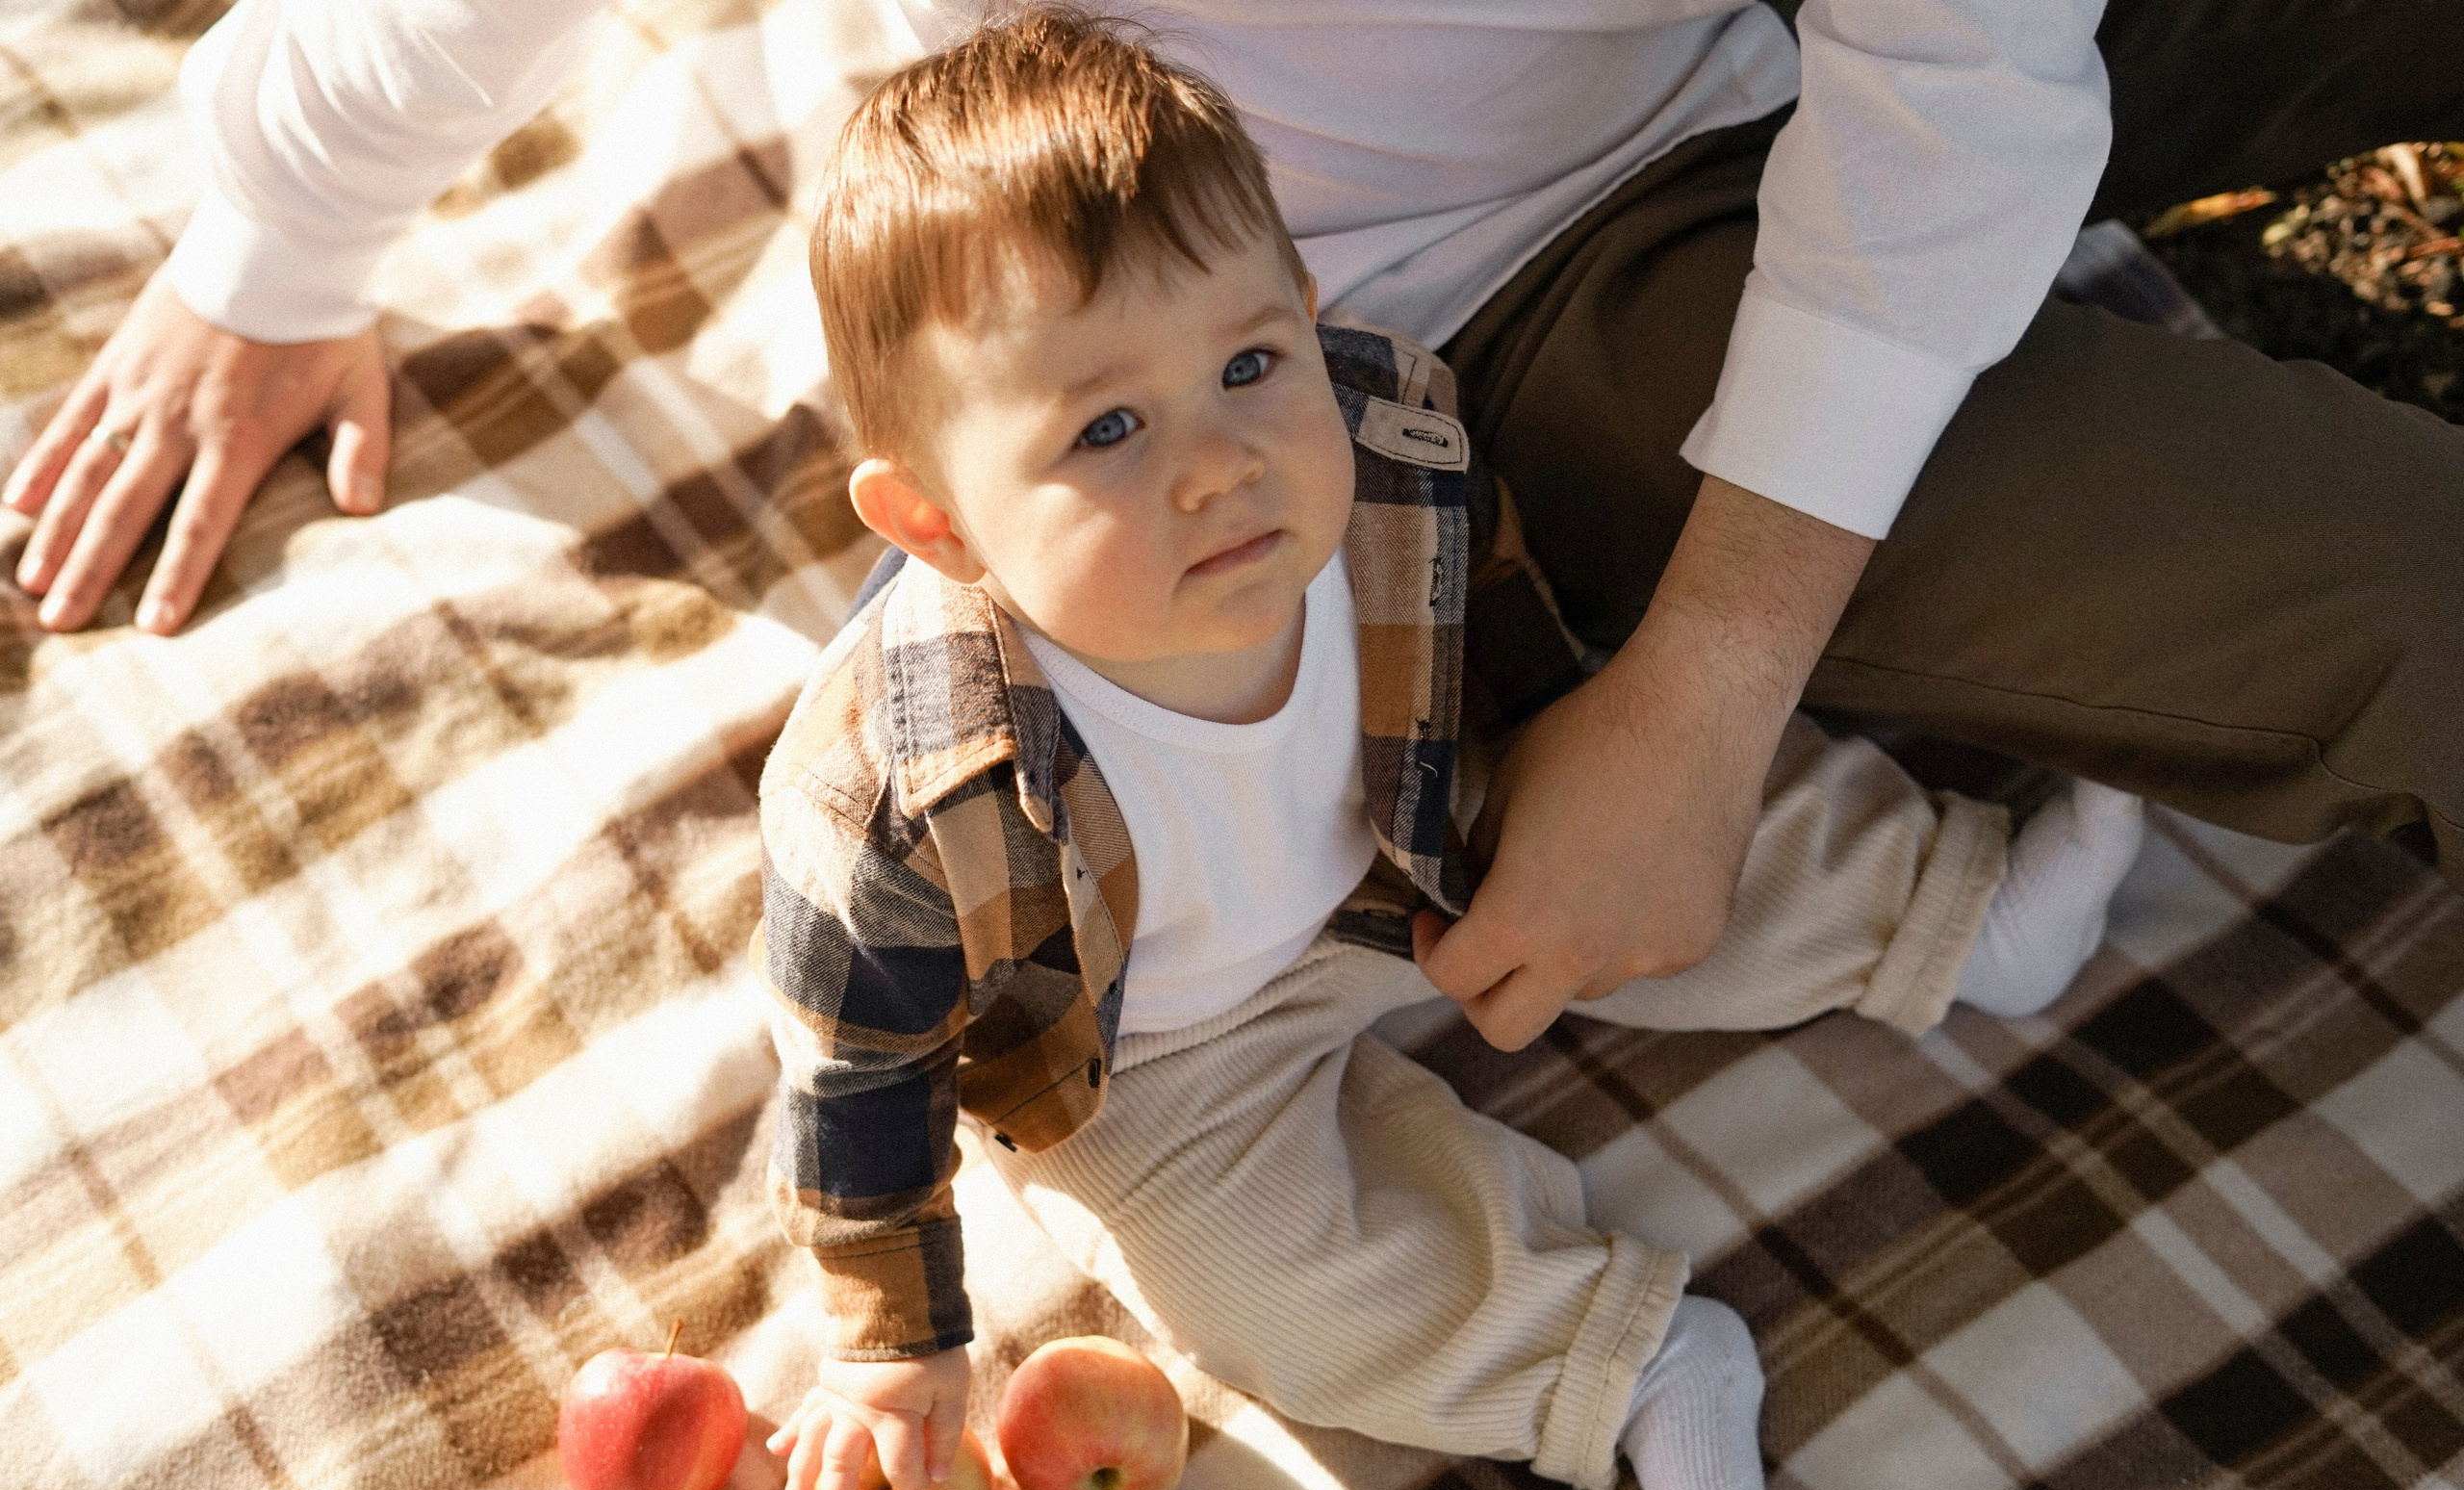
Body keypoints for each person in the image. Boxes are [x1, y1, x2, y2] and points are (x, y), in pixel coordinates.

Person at [9, 0, 2458, 1073]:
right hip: (1435, 308)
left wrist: (1708, 697)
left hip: (1801, 101)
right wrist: (272, 252)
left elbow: (1958, 81)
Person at [748, 13, 2149, 1490]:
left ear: (1310, 320)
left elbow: (1500, 629)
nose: (1221, 464)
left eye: (1249, 364)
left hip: (1404, 843)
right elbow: (855, 1085)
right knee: (1246, 1280)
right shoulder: (896, 805)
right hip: (1150, 1048)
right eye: (1107, 432)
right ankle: (1613, 1362)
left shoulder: (1389, 442)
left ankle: (1953, 913)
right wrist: (896, 1344)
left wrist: (1582, 755)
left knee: (1650, 823)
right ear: (937, 520)